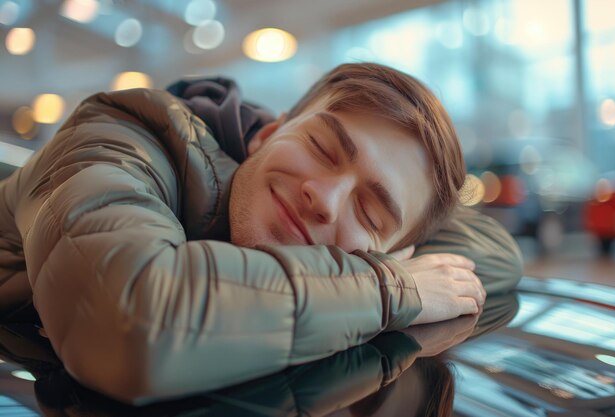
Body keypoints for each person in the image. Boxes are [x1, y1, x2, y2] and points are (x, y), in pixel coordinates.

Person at [0, 63, 523, 404]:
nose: (325, 198)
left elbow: (498, 254)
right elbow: (132, 320)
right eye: (321, 148)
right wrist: (391, 287)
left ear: (398, 248)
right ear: (269, 132)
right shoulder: (124, 135)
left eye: (370, 211)